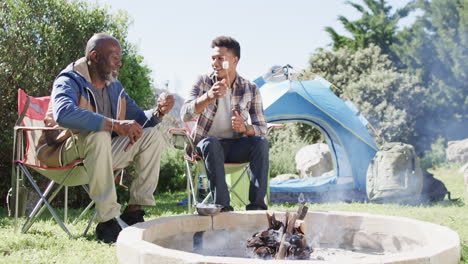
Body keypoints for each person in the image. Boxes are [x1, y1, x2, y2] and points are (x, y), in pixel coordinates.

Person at [37, 33, 174, 243]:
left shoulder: (114, 86)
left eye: (120, 57)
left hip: (98, 154)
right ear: (95, 56)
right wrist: (114, 124)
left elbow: (139, 119)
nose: (119, 62)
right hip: (64, 153)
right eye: (114, 57)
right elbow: (63, 113)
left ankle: (134, 211)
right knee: (100, 133)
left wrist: (159, 112)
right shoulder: (70, 79)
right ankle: (108, 221)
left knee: (152, 136)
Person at [181, 36, 269, 212]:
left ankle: (257, 208)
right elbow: (185, 114)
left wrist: (246, 128)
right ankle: (223, 208)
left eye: (220, 58)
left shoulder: (250, 88)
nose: (215, 63)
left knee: (261, 143)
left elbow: (262, 129)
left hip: (236, 148)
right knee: (211, 143)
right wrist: (208, 97)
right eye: (213, 58)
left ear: (234, 60)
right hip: (207, 147)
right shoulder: (202, 81)